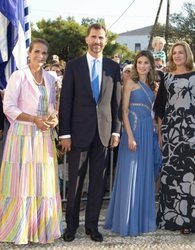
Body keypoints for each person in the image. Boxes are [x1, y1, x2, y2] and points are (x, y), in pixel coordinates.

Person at [59, 23, 122, 243]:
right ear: (87, 39)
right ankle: (72, 226)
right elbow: (65, 102)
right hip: (78, 134)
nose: (97, 41)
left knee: (97, 182)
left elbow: (116, 104)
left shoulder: (113, 68)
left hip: (104, 134)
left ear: (105, 41)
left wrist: (116, 131)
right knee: (75, 182)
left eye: (101, 38)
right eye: (94, 37)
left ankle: (93, 226)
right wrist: (64, 133)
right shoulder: (74, 66)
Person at [0, 38, 62, 244]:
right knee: (23, 183)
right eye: (37, 52)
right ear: (29, 52)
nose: (41, 56)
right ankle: (19, 229)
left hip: (43, 137)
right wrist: (33, 119)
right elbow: (8, 107)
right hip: (22, 136)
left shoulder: (50, 78)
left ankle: (41, 228)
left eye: (44, 53)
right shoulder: (18, 76)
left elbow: (51, 105)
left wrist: (54, 117)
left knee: (41, 182)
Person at [154, 41, 195, 234]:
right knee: (170, 175)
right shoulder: (167, 78)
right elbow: (160, 108)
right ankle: (169, 218)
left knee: (189, 176)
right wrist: (161, 134)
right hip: (171, 133)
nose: (177, 56)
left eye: (181, 52)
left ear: (187, 54)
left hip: (190, 132)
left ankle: (188, 220)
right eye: (174, 53)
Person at [104, 50, 159, 236]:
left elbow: (152, 114)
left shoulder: (152, 86)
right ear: (135, 65)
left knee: (144, 174)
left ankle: (141, 219)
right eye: (139, 62)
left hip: (147, 132)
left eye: (145, 63)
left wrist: (155, 132)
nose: (142, 66)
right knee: (130, 174)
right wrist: (130, 135)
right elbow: (124, 111)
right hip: (133, 131)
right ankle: (126, 221)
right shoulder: (130, 82)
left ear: (151, 65)